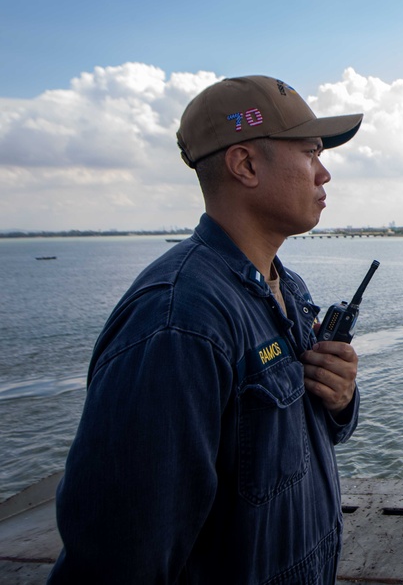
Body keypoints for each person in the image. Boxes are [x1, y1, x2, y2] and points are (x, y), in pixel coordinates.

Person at [49, 76, 364, 584]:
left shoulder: (289, 287)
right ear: (245, 165)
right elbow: (121, 559)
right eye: (309, 153)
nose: (324, 173)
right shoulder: (179, 321)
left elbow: (295, 438)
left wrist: (339, 400)